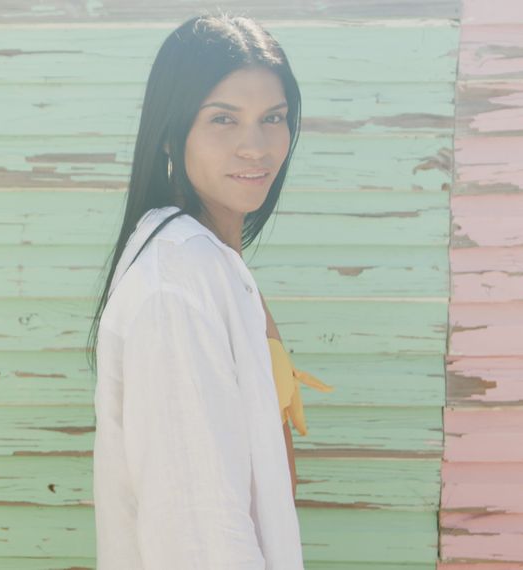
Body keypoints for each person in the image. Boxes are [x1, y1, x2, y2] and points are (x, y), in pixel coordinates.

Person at [85, 11, 331, 569]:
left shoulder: (211, 262)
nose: (257, 146)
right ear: (172, 133)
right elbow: (195, 529)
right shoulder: (176, 287)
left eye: (273, 118)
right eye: (224, 119)